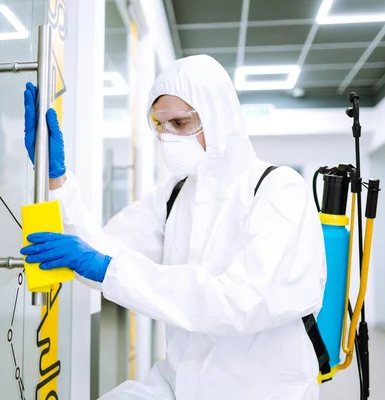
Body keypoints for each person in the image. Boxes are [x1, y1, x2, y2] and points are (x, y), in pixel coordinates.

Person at [21, 55, 327, 399]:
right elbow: (99, 252)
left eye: (180, 123)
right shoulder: (176, 195)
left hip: (262, 389)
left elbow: (242, 301)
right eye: (160, 125)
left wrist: (109, 269)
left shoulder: (278, 189)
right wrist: (57, 179)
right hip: (180, 384)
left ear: (218, 119)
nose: (168, 136)